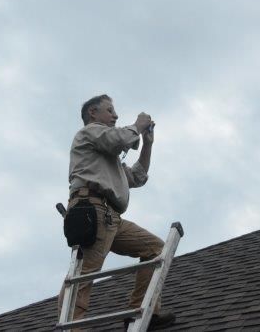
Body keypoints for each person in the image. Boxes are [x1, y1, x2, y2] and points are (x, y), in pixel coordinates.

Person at [58, 94, 176, 330]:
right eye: (110, 110)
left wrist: (148, 144)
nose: (115, 115)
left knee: (155, 249)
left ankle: (142, 313)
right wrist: (138, 124)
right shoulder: (89, 133)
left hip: (110, 216)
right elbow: (118, 139)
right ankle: (72, 328)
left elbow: (137, 176)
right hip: (92, 209)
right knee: (83, 276)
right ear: (93, 113)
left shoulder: (106, 158)